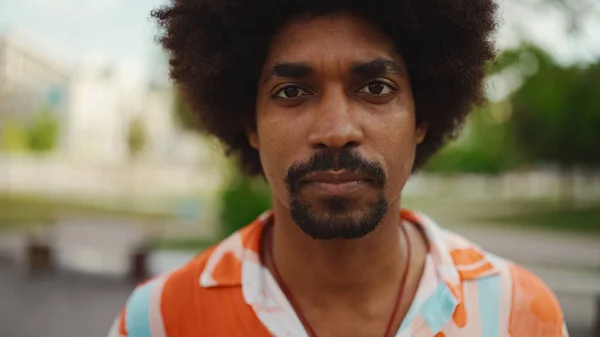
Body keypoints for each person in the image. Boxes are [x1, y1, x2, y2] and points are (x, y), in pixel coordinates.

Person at [108, 0, 569, 336]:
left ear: (422, 117)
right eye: (292, 92)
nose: (336, 129)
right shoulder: (162, 320)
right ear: (250, 123)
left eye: (375, 87)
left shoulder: (520, 315)